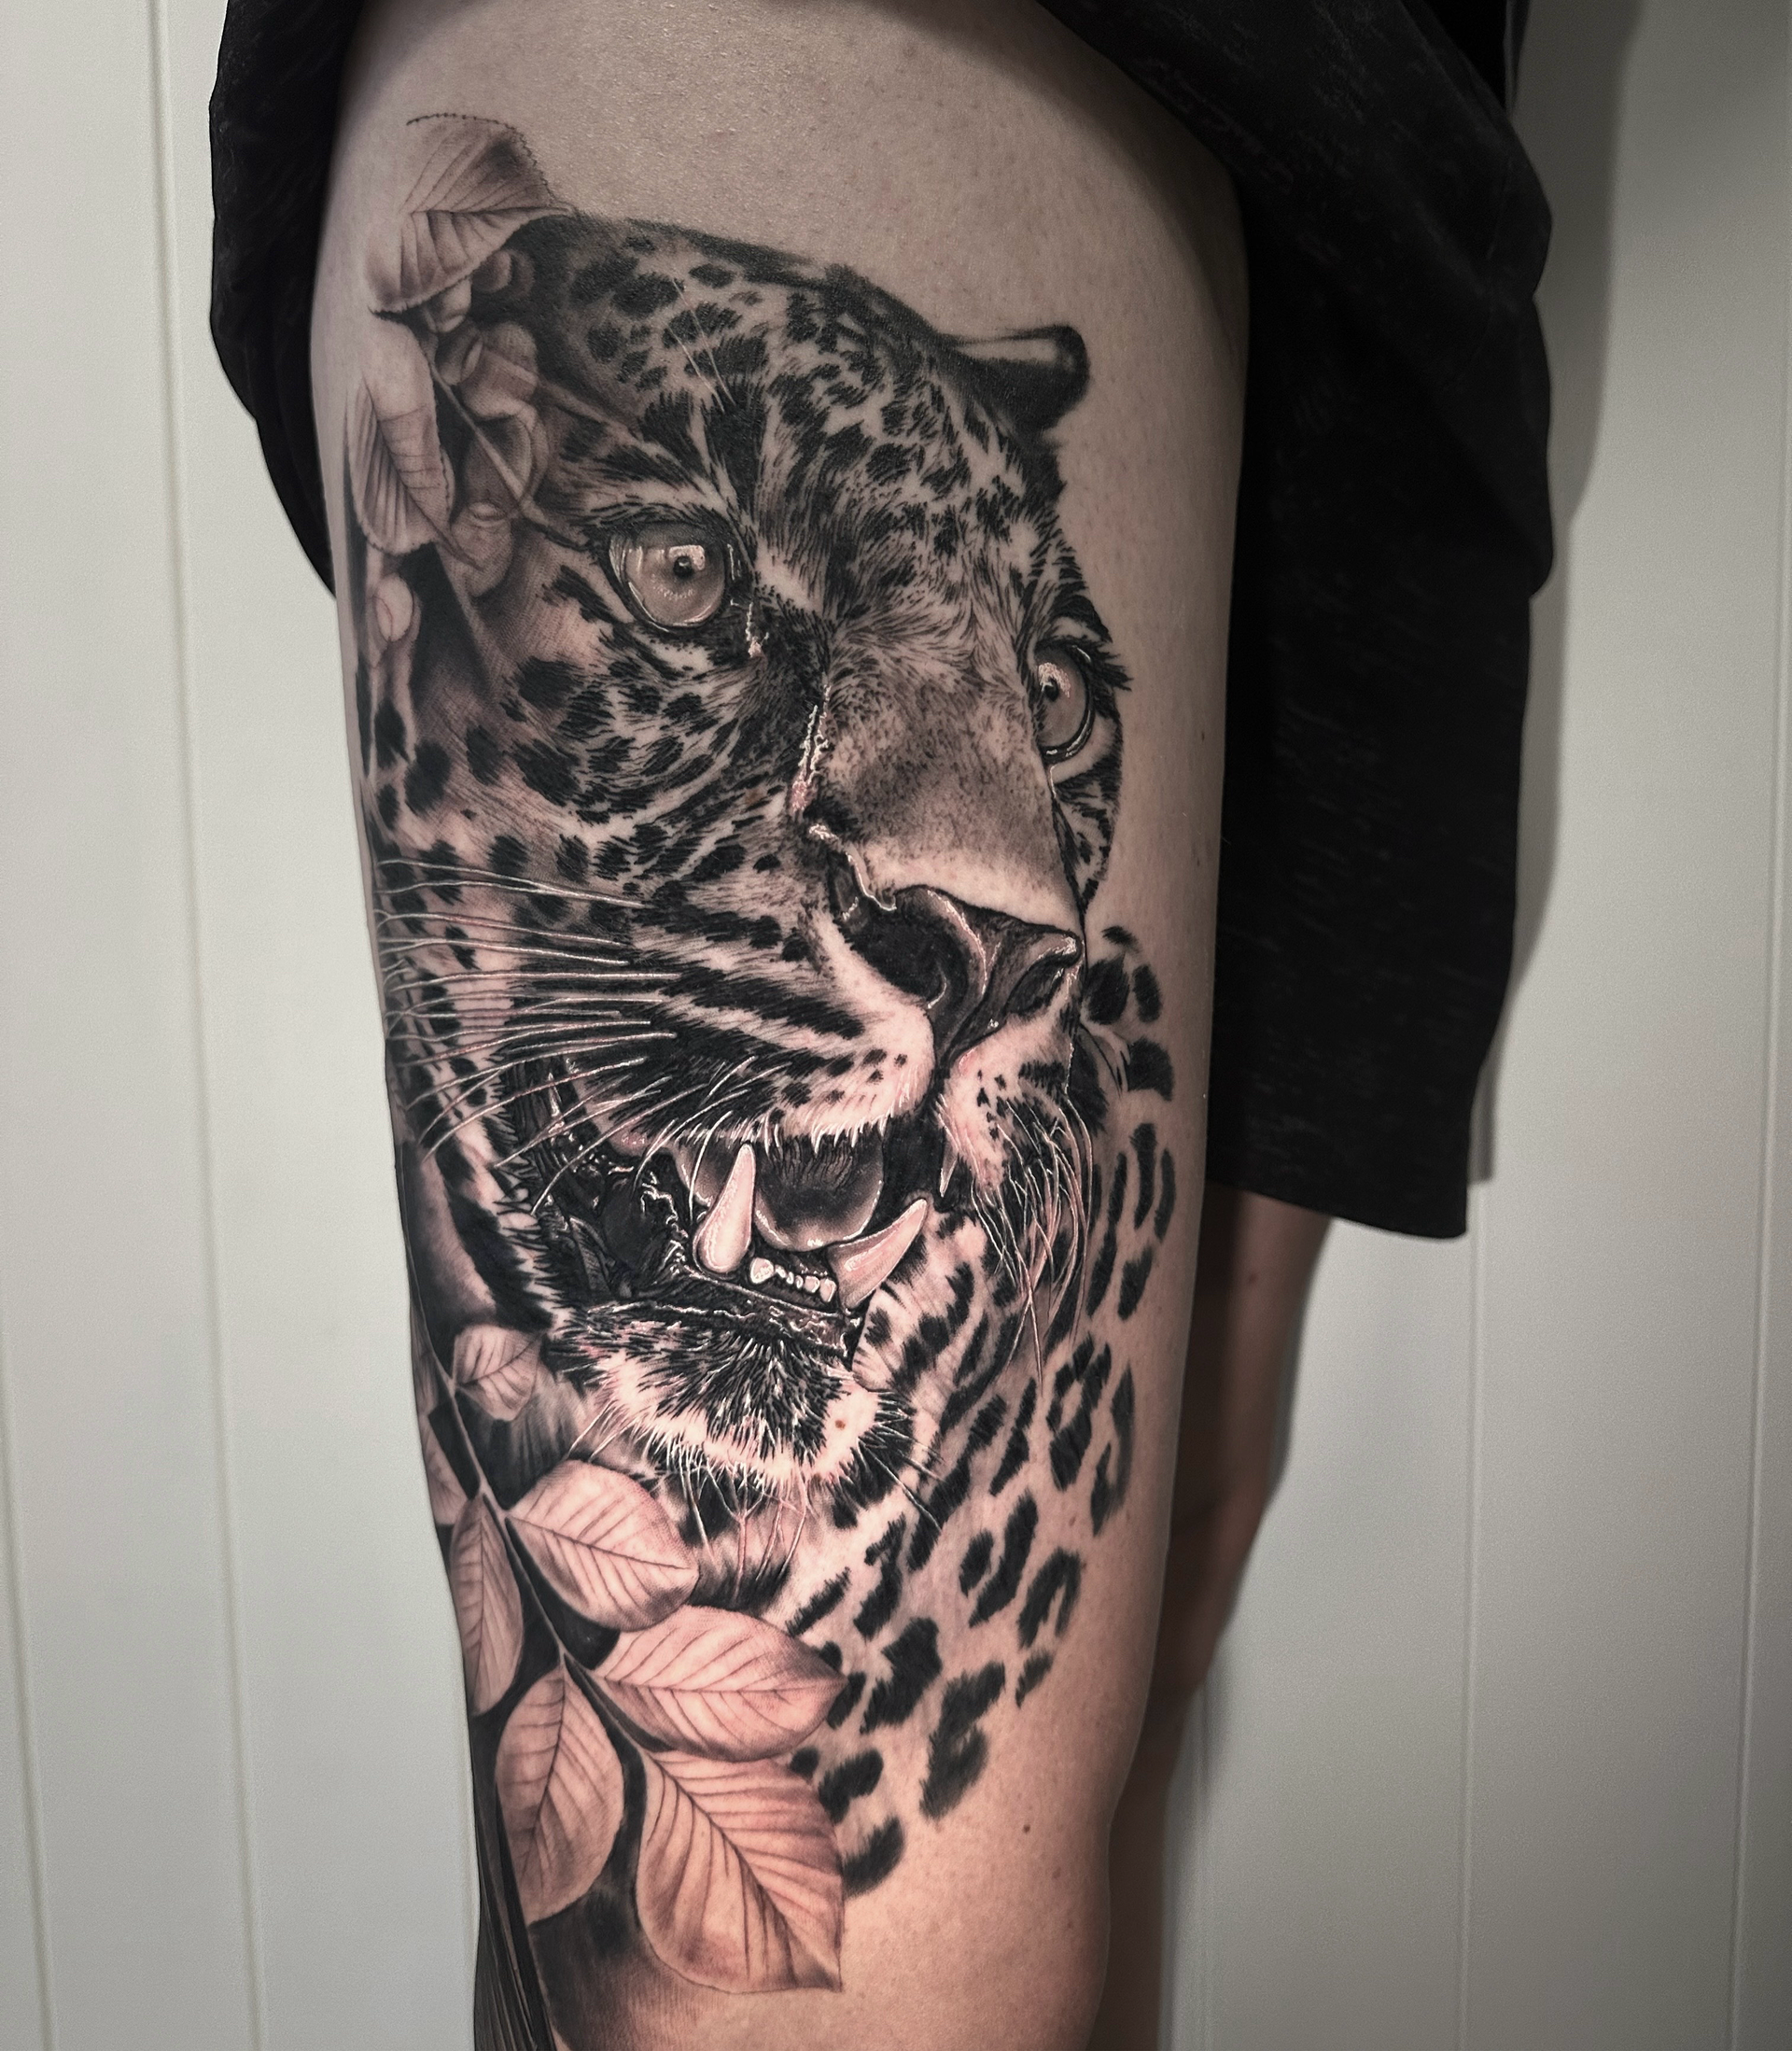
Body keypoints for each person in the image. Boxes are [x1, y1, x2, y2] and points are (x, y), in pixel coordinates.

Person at [210, 4, 1549, 2044]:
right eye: (687, 571)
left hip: (1394, 198)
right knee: (781, 1992)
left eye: (1044, 704)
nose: (1006, 896)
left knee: (1106, 1757)